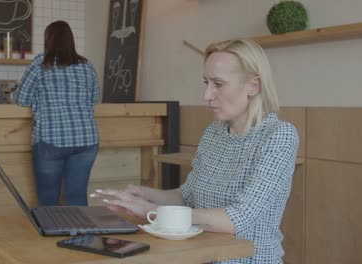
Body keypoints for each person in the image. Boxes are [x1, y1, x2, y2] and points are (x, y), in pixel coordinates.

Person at [91, 39, 299, 264]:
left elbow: (236, 219)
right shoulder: (213, 133)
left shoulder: (279, 136)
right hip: (202, 256)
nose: (207, 95)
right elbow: (187, 195)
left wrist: (151, 211)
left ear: (254, 86)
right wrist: (145, 194)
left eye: (218, 84)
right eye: (206, 82)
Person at [16, 20, 100, 206]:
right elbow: (94, 99)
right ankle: (80, 236)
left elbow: (21, 99)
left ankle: (54, 235)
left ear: (48, 40)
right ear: (71, 40)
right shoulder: (87, 66)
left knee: (48, 201)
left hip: (51, 140)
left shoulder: (40, 63)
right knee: (77, 198)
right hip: (86, 140)